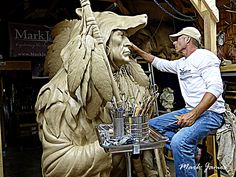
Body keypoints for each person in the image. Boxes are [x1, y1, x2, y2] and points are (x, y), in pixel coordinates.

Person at [35, 8, 164, 177]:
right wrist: (111, 145)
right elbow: (55, 165)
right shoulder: (59, 96)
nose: (128, 43)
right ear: (101, 39)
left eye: (128, 36)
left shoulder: (122, 83)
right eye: (120, 35)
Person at [129, 26, 225, 177]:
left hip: (211, 113)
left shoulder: (204, 56)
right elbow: (159, 63)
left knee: (179, 142)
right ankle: (194, 151)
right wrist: (136, 50)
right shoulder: (182, 63)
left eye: (177, 39)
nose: (174, 43)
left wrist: (193, 114)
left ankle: (185, 147)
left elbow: (216, 88)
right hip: (190, 110)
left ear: (187, 40)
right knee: (151, 127)